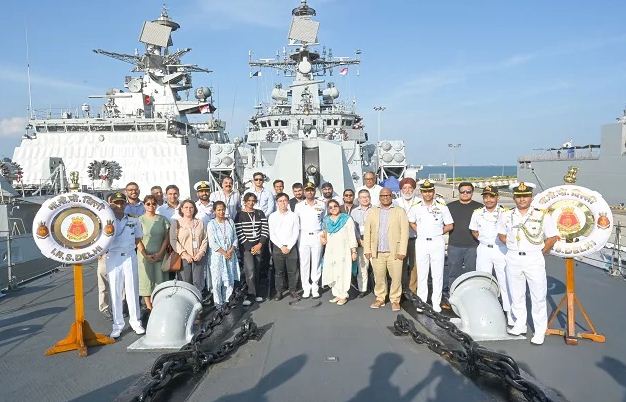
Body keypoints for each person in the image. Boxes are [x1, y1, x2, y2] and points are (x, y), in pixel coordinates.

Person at [498, 182, 558, 345]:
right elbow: (501, 234)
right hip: (513, 257)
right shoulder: (507, 215)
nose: (522, 199)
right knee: (516, 294)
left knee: (538, 296)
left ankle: (539, 331)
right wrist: (512, 245)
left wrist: (540, 251)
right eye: (518, 196)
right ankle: (520, 324)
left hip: (533, 258)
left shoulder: (542, 215)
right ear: (514, 197)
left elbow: (552, 237)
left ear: (531, 197)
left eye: (525, 196)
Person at [469, 186, 513, 325]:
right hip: (484, 249)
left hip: (501, 249)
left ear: (497, 197)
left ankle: (509, 313)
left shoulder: (505, 213)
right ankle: (485, 311)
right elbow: (474, 230)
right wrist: (483, 240)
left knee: (505, 281)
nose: (488, 200)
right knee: (483, 281)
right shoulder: (477, 213)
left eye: (491, 197)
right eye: (486, 197)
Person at [409, 180, 454, 312]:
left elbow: (450, 225)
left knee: (437, 274)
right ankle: (422, 302)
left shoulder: (442, 207)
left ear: (433, 192)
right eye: (425, 191)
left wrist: (438, 232)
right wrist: (420, 231)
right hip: (422, 241)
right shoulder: (416, 207)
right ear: (421, 192)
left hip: (437, 241)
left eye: (430, 191)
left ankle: (436, 302)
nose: (427, 194)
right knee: (422, 273)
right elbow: (411, 221)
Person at [105, 191, 145, 338]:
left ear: (126, 204)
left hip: (129, 256)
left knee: (132, 290)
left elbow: (138, 238)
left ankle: (136, 322)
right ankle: (117, 325)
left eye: (122, 202)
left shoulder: (134, 220)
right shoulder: (107, 222)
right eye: (116, 203)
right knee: (115, 291)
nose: (119, 205)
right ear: (111, 204)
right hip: (113, 257)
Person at [363, 188, 409, 312]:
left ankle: (395, 300)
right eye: (383, 195)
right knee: (379, 277)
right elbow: (367, 231)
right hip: (377, 252)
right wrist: (367, 249)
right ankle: (380, 298)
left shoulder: (399, 211)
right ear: (379, 197)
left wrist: (402, 251)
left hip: (395, 252)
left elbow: (405, 232)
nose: (385, 197)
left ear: (391, 196)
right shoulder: (373, 211)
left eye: (388, 195)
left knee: (396, 278)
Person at [446, 182, 483, 295]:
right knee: (453, 274)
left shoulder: (479, 207)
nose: (465, 193)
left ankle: (471, 295)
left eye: (468, 191)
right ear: (459, 192)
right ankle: (453, 295)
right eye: (462, 191)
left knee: (471, 274)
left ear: (472, 192)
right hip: (454, 245)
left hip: (473, 246)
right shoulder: (450, 207)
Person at [235, 193, 270, 305]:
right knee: (250, 271)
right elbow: (239, 232)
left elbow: (265, 229)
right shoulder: (239, 215)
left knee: (257, 269)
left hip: (258, 246)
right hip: (246, 248)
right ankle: (250, 294)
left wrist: (260, 244)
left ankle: (257, 292)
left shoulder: (260, 213)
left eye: (253, 200)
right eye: (249, 200)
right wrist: (250, 248)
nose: (251, 203)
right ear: (245, 202)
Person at [321, 199, 358, 305]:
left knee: (343, 272)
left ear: (339, 206)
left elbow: (352, 235)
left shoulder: (346, 219)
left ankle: (343, 295)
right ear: (328, 209)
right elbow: (324, 233)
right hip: (331, 250)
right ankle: (337, 294)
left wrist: (354, 251)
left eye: (335, 206)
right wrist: (322, 238)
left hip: (343, 250)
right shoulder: (326, 220)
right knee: (333, 271)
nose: (333, 208)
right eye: (330, 207)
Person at [136, 195, 170, 310]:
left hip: (160, 255)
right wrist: (145, 255)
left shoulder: (163, 219)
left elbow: (167, 237)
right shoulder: (139, 220)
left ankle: (160, 305)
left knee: (160, 280)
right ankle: (149, 308)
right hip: (144, 256)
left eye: (153, 203)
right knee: (146, 281)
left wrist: (160, 253)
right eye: (148, 204)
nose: (151, 206)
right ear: (144, 205)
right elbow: (137, 239)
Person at [295, 182, 326, 298]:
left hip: (317, 235)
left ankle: (315, 287)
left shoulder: (322, 204)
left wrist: (323, 235)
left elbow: (324, 221)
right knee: (304, 263)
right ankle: (306, 288)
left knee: (316, 262)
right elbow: (296, 222)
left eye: (312, 190)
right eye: (307, 190)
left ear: (315, 191)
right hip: (303, 235)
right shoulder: (299, 206)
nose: (309, 192)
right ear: (304, 192)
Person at [207, 201, 240, 309]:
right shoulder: (211, 224)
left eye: (223, 209)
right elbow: (212, 243)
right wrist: (224, 252)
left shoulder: (230, 221)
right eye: (219, 210)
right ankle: (218, 302)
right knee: (217, 280)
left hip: (230, 254)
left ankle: (228, 300)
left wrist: (231, 250)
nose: (221, 212)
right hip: (217, 256)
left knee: (229, 278)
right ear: (214, 211)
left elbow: (235, 237)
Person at [169, 199, 208, 291]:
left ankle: (198, 299)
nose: (188, 209)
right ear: (181, 209)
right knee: (185, 283)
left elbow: (205, 239)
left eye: (191, 207)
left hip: (198, 257)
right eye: (186, 207)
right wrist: (185, 254)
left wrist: (201, 253)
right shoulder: (176, 223)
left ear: (194, 209)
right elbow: (173, 240)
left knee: (198, 283)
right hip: (183, 258)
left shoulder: (200, 223)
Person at [268, 193, 300, 301]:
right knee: (279, 271)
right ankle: (279, 292)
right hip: (278, 247)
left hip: (291, 247)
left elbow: (296, 232)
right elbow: (272, 234)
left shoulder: (293, 215)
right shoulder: (272, 216)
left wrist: (289, 246)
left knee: (292, 271)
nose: (283, 203)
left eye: (285, 200)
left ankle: (293, 290)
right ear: (277, 203)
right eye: (280, 201)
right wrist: (281, 246)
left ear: (288, 202)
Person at [394, 177, 420, 293]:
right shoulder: (396, 202)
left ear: (414, 189)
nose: (407, 190)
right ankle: (402, 289)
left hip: (415, 238)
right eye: (404, 188)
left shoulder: (419, 202)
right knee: (400, 265)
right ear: (401, 190)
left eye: (410, 188)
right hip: (400, 240)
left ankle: (412, 290)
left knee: (415, 265)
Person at [351, 189, 373, 297]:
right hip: (360, 240)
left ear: (370, 198)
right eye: (362, 197)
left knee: (377, 268)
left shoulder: (375, 210)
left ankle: (378, 290)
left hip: (373, 242)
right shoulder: (354, 212)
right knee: (362, 267)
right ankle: (362, 289)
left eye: (367, 197)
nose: (365, 199)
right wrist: (359, 240)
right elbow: (353, 228)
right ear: (359, 199)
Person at [97, 193, 114, 321]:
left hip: (118, 253)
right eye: (111, 203)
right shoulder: (100, 219)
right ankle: (104, 307)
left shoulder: (122, 217)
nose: (114, 205)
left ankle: (121, 306)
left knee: (121, 284)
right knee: (103, 284)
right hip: (104, 254)